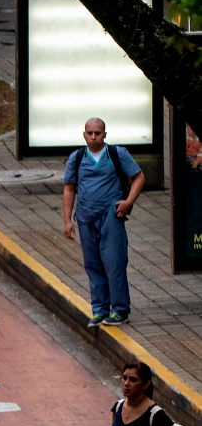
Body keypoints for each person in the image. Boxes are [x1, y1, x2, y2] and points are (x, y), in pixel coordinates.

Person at [63, 117, 145, 327]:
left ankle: (120, 310)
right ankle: (99, 311)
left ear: (105, 135)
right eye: (89, 133)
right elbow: (69, 188)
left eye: (97, 133)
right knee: (93, 265)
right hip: (85, 218)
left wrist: (128, 202)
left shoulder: (117, 154)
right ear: (84, 135)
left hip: (111, 217)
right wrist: (67, 221)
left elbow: (138, 177)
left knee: (114, 263)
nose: (93, 137)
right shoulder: (77, 158)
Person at [110, 363, 174, 426]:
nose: (126, 383)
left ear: (146, 384)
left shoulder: (156, 417)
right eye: (125, 378)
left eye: (133, 380)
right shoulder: (118, 406)